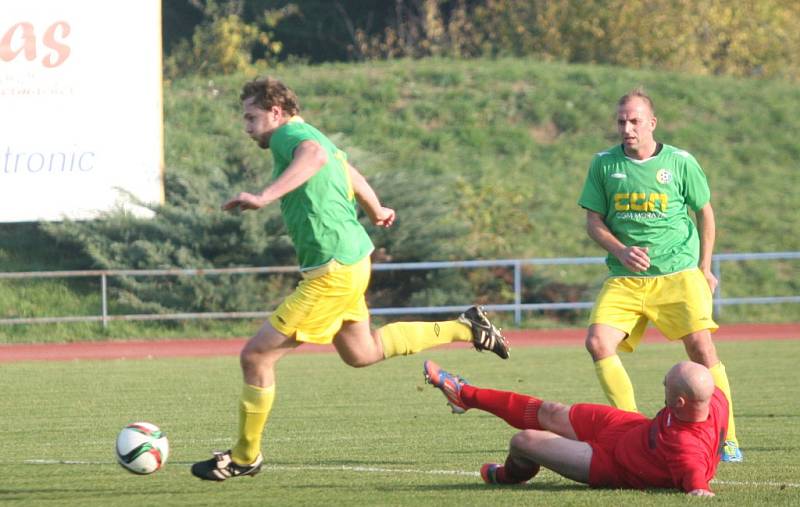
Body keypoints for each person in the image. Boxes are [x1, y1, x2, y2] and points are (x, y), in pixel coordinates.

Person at [190, 77, 510, 481]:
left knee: (255, 356)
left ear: (276, 112)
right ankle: (466, 327)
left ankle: (244, 455)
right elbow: (345, 166)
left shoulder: (291, 136)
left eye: (252, 117)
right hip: (350, 261)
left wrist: (264, 196)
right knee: (362, 352)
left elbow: (316, 157)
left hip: (333, 270)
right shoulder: (308, 134)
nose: (247, 126)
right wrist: (375, 208)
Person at [576, 88, 741, 462]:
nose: (627, 128)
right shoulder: (603, 165)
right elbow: (593, 221)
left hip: (678, 274)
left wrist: (704, 268)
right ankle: (631, 428)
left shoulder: (681, 162)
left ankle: (726, 437)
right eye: (621, 121)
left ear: (652, 123)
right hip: (625, 278)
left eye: (635, 121)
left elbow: (705, 213)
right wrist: (619, 249)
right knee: (597, 343)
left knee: (701, 349)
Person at [424, 359, 727, 496]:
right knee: (551, 410)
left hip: (612, 464)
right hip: (630, 428)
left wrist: (700, 490)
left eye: (667, 386)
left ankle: (506, 477)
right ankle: (464, 395)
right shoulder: (715, 398)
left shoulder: (686, 450)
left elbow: (698, 486)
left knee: (523, 442)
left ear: (681, 403)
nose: (662, 384)